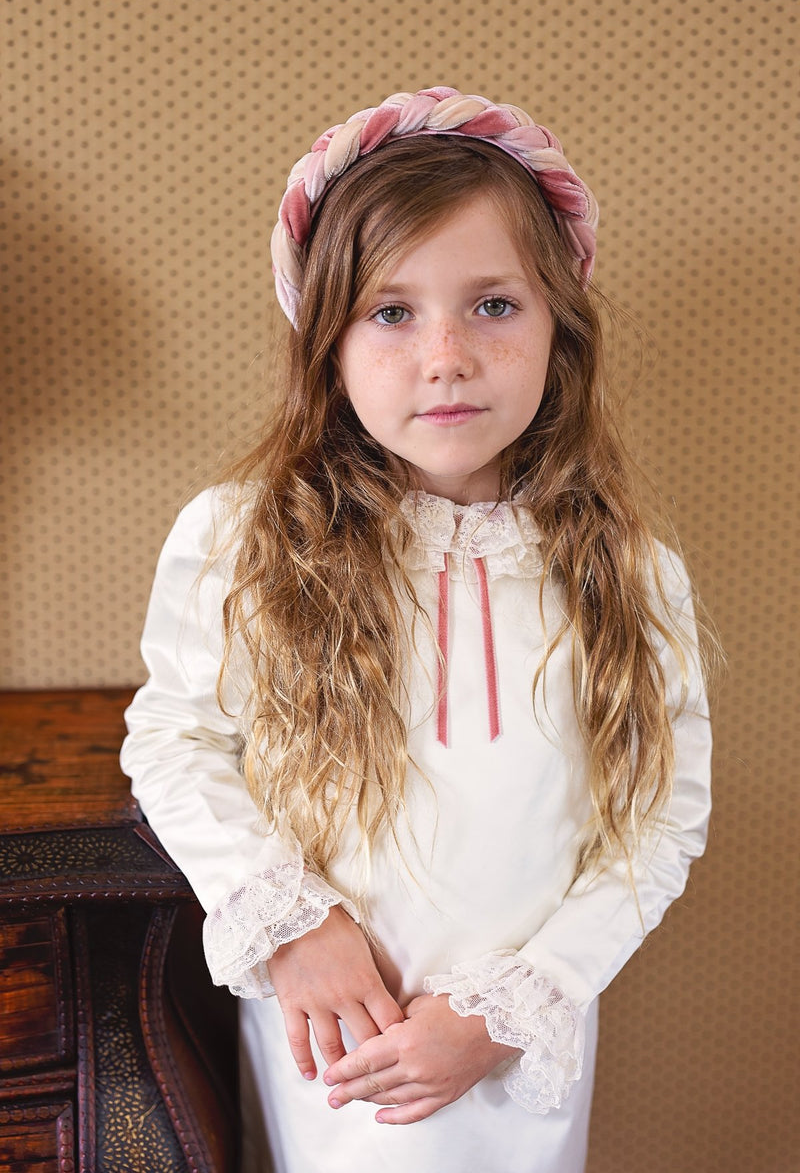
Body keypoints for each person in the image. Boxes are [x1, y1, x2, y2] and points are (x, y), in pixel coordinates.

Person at [121, 86, 714, 1173]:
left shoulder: (627, 572)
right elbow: (175, 740)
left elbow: (659, 821)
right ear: (328, 345)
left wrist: (519, 1004)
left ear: (557, 326)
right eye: (391, 313)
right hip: (329, 1033)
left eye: (492, 304)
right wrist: (292, 928)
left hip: (518, 1050)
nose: (446, 355)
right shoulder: (244, 538)